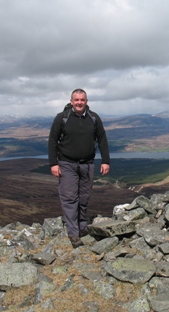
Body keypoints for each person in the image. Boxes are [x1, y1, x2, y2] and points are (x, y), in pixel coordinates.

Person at [48, 88, 110, 248]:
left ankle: (82, 227)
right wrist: (53, 163)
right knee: (69, 198)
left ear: (86, 101)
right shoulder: (62, 118)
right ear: (71, 101)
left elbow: (102, 139)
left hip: (87, 164)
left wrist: (106, 161)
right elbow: (52, 141)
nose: (79, 103)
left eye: (82, 100)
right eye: (76, 100)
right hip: (67, 163)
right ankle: (73, 233)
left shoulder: (94, 118)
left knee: (83, 198)